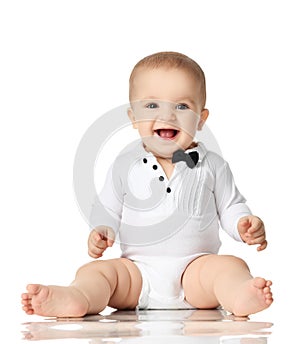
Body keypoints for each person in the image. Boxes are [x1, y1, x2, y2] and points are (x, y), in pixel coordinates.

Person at [21, 52, 273, 318]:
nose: (168, 115)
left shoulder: (213, 166)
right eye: (152, 106)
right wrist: (102, 230)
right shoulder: (124, 165)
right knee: (97, 273)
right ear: (133, 117)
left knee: (230, 266)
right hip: (136, 273)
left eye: (182, 106)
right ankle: (77, 297)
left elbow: (231, 206)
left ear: (201, 119)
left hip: (195, 271)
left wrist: (244, 225)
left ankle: (238, 295)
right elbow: (107, 207)